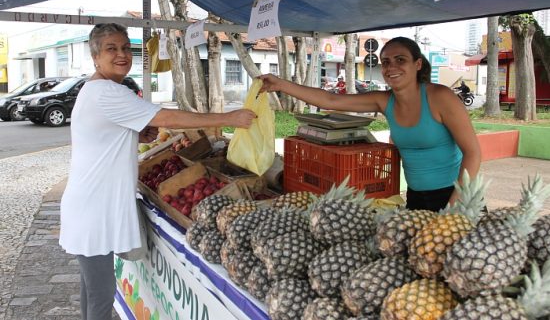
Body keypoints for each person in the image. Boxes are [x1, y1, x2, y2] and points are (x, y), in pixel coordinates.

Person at [59, 23, 255, 320]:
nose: (122, 54)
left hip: (90, 204)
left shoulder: (96, 89)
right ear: (95, 56)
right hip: (93, 209)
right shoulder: (108, 93)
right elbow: (169, 116)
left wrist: (134, 135)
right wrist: (231, 117)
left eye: (126, 47)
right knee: (100, 293)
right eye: (112, 48)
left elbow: (98, 133)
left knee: (92, 288)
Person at [259, 36, 480, 212]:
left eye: (400, 60)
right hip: (416, 197)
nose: (391, 67)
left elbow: (473, 153)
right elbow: (330, 100)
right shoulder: (384, 101)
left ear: (418, 64)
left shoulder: (440, 97)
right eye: (386, 62)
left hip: (454, 196)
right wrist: (281, 84)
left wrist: (454, 207)